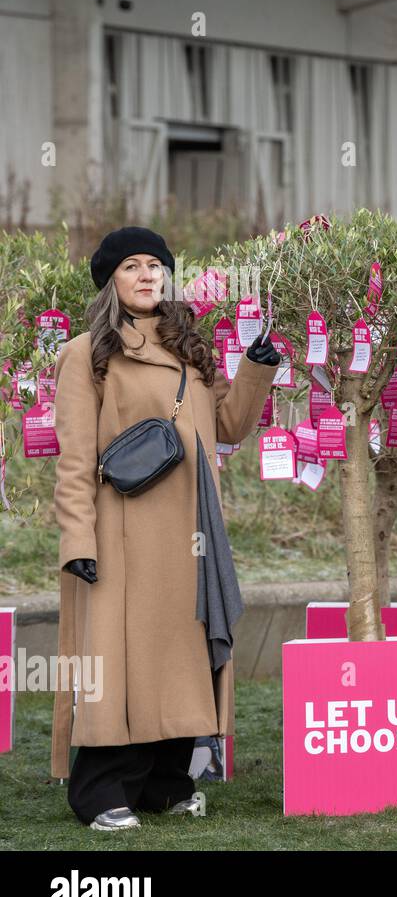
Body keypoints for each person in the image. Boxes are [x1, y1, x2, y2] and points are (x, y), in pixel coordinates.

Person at [51, 226, 280, 830]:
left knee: (183, 658)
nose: (147, 275)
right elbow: (74, 460)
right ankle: (100, 793)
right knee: (122, 664)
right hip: (122, 535)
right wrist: (78, 539)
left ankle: (165, 784)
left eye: (155, 265)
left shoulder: (191, 346)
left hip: (193, 533)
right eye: (131, 265)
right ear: (110, 280)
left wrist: (256, 370)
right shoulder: (86, 354)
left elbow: (228, 427)